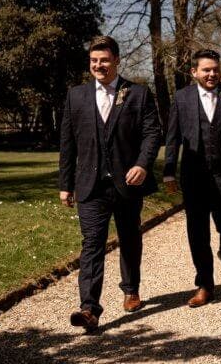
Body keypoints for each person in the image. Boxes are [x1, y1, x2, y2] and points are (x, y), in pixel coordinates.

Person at [59, 35, 162, 332]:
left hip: (127, 183)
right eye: (93, 61)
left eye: (104, 60)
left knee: (130, 237)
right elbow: (68, 144)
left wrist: (142, 164)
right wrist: (66, 183)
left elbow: (152, 133)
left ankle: (131, 288)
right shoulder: (75, 96)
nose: (98, 65)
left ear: (117, 60)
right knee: (92, 244)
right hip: (90, 185)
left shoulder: (138, 93)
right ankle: (89, 308)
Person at [163, 49, 221, 307]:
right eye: (206, 70)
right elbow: (172, 138)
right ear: (194, 72)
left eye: (215, 69)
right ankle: (205, 285)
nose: (212, 74)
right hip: (194, 177)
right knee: (197, 231)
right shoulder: (182, 98)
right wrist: (169, 170)